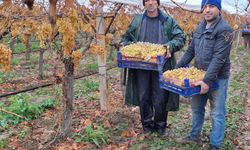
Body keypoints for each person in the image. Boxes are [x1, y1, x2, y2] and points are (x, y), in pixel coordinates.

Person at [121, 0, 185, 136]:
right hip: (141, 66)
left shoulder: (168, 21)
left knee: (160, 97)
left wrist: (170, 46)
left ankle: (160, 126)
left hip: (161, 66)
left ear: (158, 2)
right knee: (143, 96)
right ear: (144, 3)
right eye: (147, 0)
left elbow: (180, 37)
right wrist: (128, 47)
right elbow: (126, 38)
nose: (150, 3)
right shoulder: (138, 21)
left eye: (153, 0)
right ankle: (147, 126)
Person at [175, 0, 233, 149]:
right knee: (196, 108)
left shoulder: (225, 29)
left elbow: (219, 58)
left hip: (218, 78)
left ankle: (215, 144)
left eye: (211, 6)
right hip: (198, 75)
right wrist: (177, 67)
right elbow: (190, 50)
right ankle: (194, 136)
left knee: (217, 112)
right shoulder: (200, 27)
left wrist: (207, 80)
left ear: (219, 9)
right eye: (205, 7)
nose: (207, 10)